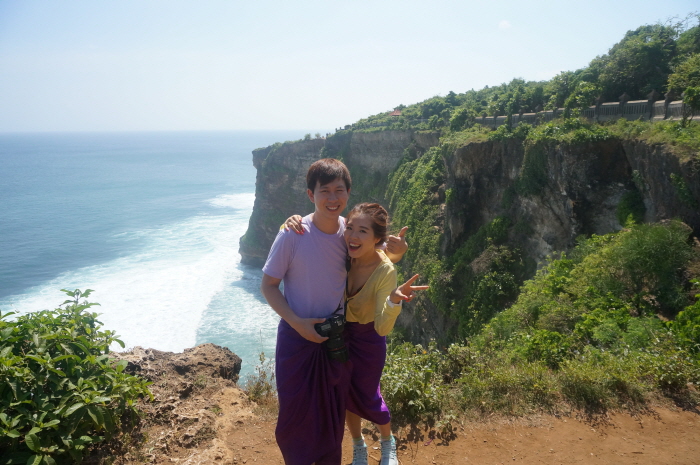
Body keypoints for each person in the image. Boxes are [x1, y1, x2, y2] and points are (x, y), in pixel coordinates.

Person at [260, 159, 407, 465]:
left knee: (331, 417)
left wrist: (398, 252)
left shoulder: (347, 232)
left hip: (335, 339)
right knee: (295, 415)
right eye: (323, 190)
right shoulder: (292, 234)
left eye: (339, 190)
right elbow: (269, 286)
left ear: (348, 193)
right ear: (310, 194)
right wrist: (297, 323)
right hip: (297, 338)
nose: (332, 197)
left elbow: (375, 258)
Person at [284, 203, 427, 465]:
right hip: (340, 334)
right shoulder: (344, 254)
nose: (352, 235)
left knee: (369, 394)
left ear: (377, 238)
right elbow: (316, 240)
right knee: (345, 394)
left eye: (363, 231)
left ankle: (388, 443)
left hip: (369, 339)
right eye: (350, 228)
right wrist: (294, 221)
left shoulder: (386, 271)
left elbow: (382, 327)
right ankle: (358, 446)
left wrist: (394, 300)